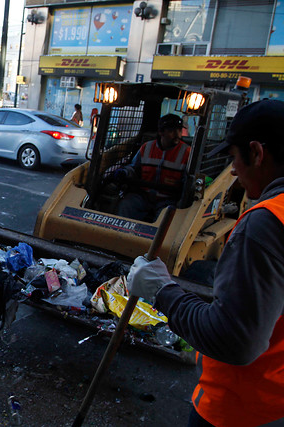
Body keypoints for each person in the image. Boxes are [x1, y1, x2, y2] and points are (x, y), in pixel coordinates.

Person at [127, 99, 284, 427]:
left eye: (233, 159)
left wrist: (162, 289)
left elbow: (234, 339)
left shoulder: (264, 224)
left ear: (256, 153)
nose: (234, 172)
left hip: (241, 407)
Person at [114, 114, 191, 221]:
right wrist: (124, 172)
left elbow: (188, 181)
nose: (177, 135)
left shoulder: (187, 152)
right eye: (172, 131)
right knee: (126, 205)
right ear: (161, 132)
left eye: (179, 130)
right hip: (143, 196)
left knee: (166, 218)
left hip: (168, 200)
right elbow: (134, 168)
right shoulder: (147, 147)